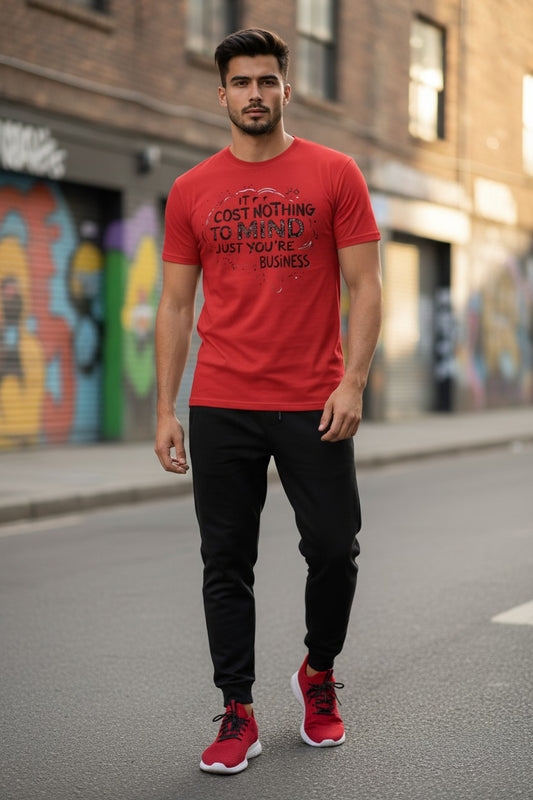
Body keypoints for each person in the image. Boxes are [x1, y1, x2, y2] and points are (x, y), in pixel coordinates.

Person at [154, 28, 382, 775]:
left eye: (266, 81)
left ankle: (317, 673)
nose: (255, 93)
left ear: (287, 89)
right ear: (220, 94)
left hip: (313, 401)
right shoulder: (191, 190)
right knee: (225, 560)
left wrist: (352, 381)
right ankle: (237, 708)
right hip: (221, 401)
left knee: (333, 550)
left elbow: (366, 287)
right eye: (241, 82)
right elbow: (174, 306)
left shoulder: (334, 173)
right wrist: (165, 409)